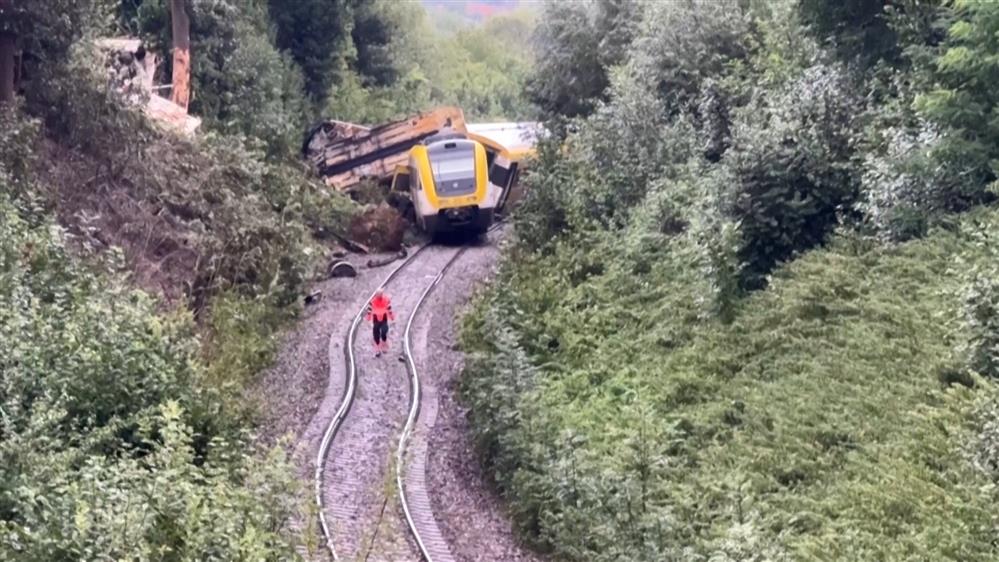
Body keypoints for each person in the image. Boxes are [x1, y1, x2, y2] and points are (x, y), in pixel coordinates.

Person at [365, 288, 395, 357]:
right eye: (378, 294)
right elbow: (369, 309)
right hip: (376, 319)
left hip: (384, 318)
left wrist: (391, 316)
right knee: (376, 332)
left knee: (384, 331)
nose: (379, 296)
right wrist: (368, 317)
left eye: (380, 294)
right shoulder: (373, 301)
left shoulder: (386, 300)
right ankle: (377, 348)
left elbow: (389, 308)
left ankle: (384, 343)